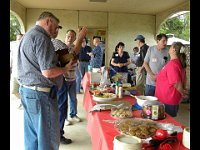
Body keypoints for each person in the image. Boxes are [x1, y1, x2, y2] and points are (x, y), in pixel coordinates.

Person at [16, 11, 74, 150]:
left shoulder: (28, 35)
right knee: (48, 138)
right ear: (48, 21)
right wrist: (65, 69)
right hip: (41, 96)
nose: (57, 30)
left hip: (27, 91)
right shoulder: (42, 38)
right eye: (56, 26)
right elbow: (48, 72)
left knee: (32, 137)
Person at [155, 42, 188, 117]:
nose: (168, 48)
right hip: (170, 99)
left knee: (167, 123)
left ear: (173, 50)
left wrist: (183, 92)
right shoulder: (178, 63)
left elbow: (176, 83)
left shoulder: (173, 64)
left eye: (170, 47)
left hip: (168, 99)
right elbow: (184, 79)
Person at [64, 29, 82, 124]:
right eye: (68, 36)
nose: (70, 38)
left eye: (72, 37)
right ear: (65, 37)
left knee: (73, 98)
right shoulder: (61, 48)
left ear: (75, 38)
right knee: (64, 99)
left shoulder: (76, 48)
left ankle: (73, 114)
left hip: (73, 77)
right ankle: (64, 117)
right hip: (63, 79)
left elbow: (76, 60)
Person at [10, 33, 23, 109]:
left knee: (22, 90)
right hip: (14, 74)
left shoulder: (24, 50)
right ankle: (23, 100)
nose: (19, 41)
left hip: (22, 75)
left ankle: (23, 103)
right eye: (18, 39)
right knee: (14, 91)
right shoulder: (13, 49)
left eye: (21, 39)